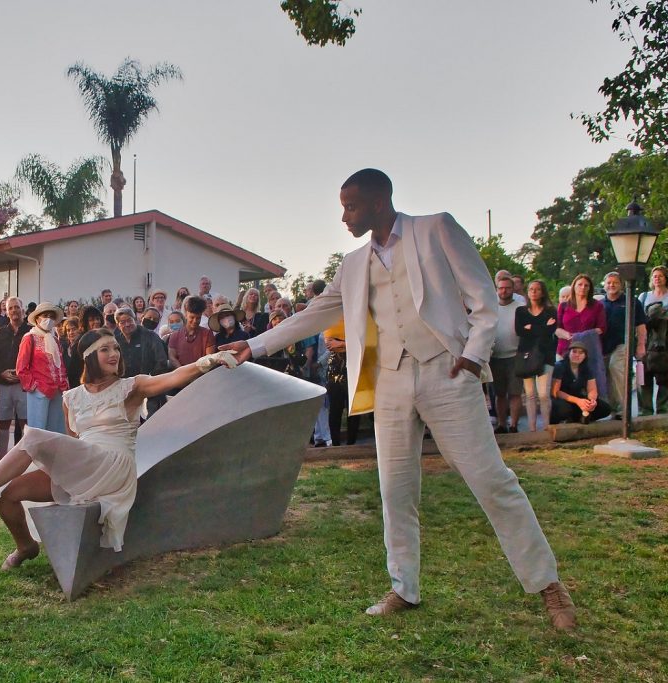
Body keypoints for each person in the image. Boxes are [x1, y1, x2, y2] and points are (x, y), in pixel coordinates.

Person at [220, 168, 576, 630]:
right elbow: (313, 314)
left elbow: (484, 299)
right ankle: (403, 588)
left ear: (378, 201)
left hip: (446, 372)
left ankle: (549, 585)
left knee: (491, 480)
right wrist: (255, 346)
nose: (344, 216)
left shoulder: (436, 229)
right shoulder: (353, 264)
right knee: (395, 489)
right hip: (389, 380)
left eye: (350, 206)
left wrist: (471, 356)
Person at [0, 328, 238, 567]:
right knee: (6, 495)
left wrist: (204, 362)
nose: (114, 353)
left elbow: (171, 378)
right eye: (105, 349)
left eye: (116, 348)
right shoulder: (71, 397)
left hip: (115, 464)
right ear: (90, 356)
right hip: (86, 463)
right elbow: (73, 442)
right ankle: (26, 546)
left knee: (34, 437)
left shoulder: (132, 386)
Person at [0, 297, 30, 460]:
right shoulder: (0, 333)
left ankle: (24, 459)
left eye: (16, 307)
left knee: (25, 422)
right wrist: (1, 371)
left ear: (22, 309)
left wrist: (21, 372)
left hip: (23, 384)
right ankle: (3, 460)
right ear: (7, 311)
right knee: (2, 422)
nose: (13, 311)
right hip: (3, 383)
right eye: (10, 308)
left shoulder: (30, 332)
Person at [17, 302, 69, 433]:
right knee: (38, 431)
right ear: (37, 318)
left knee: (57, 430)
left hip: (57, 389)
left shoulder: (55, 339)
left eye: (51, 316)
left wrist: (63, 383)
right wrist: (33, 386)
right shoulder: (29, 338)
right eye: (45, 315)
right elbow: (21, 367)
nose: (49, 319)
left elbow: (60, 364)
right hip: (39, 390)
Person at [601, 271, 647, 418]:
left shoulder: (631, 301)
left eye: (615, 282)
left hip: (623, 344)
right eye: (608, 282)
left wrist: (641, 345)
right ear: (604, 285)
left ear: (621, 284)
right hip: (604, 346)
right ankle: (614, 409)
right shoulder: (600, 304)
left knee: (616, 368)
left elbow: (641, 326)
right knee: (607, 376)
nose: (611, 285)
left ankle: (623, 409)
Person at [515, 280, 558, 431]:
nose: (534, 291)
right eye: (531, 289)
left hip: (546, 355)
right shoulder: (520, 311)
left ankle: (547, 426)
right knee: (530, 394)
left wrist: (531, 327)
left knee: (544, 394)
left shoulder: (551, 311)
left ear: (542, 292)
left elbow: (550, 332)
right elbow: (519, 331)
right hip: (526, 355)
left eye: (537, 289)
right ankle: (532, 428)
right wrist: (542, 328)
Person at [555, 274, 607, 397]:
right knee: (565, 383)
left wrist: (582, 336)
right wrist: (568, 335)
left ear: (590, 288)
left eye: (586, 285)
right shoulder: (564, 306)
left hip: (588, 351)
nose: (583, 287)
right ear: (574, 286)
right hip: (565, 349)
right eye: (580, 284)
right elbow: (556, 328)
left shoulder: (597, 306)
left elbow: (601, 328)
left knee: (586, 383)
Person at [114, 307, 170, 415]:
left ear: (136, 320)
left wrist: (150, 380)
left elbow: (161, 361)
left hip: (150, 385)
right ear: (118, 325)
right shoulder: (115, 341)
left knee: (152, 419)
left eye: (129, 320)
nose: (127, 324)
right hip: (125, 388)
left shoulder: (150, 336)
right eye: (122, 322)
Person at [490, 275, 525, 433]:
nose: (504, 291)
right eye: (501, 288)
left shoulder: (521, 306)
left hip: (515, 356)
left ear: (513, 289)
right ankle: (502, 424)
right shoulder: (491, 307)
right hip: (496, 357)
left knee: (515, 393)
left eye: (507, 287)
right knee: (500, 394)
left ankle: (514, 425)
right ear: (497, 289)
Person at [551, 340, 612, 424]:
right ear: (569, 353)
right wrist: (577, 401)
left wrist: (591, 401)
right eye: (574, 351)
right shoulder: (560, 366)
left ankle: (580, 417)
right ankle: (568, 419)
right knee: (564, 409)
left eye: (581, 353)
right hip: (562, 399)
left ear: (585, 356)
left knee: (605, 408)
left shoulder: (587, 368)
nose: (577, 355)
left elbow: (592, 389)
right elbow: (555, 392)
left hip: (578, 399)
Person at [323, 322, 361, 446]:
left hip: (354, 366)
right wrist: (349, 344)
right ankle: (335, 444)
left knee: (354, 408)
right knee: (335, 409)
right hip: (335, 368)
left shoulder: (355, 318)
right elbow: (330, 344)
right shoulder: (332, 320)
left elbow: (363, 342)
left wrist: (342, 344)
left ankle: (351, 443)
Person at [639, 266, 668, 415]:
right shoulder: (644, 297)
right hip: (645, 341)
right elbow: (637, 318)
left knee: (665, 379)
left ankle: (663, 411)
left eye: (661, 276)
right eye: (655, 276)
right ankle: (645, 411)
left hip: (665, 343)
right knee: (643, 378)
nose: (657, 278)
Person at [168, 296, 216, 369]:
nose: (195, 321)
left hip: (201, 375)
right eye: (192, 317)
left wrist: (194, 372)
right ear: (186, 315)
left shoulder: (207, 334)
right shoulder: (175, 335)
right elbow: (172, 357)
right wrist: (183, 371)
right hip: (181, 375)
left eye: (198, 318)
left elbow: (209, 358)